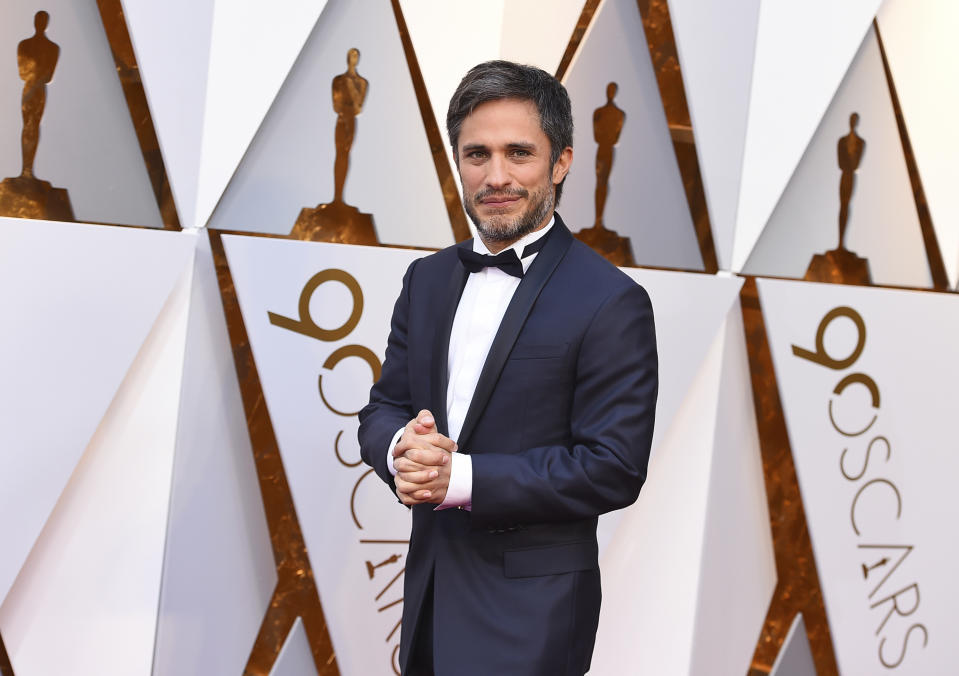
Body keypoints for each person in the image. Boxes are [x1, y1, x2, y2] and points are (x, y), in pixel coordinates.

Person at [359, 60, 658, 676]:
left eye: (518, 153)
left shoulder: (611, 300)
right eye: (477, 155)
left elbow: (614, 467)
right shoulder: (427, 279)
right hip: (430, 594)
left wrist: (461, 478)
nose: (496, 176)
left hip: (533, 615)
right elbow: (383, 406)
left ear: (562, 161)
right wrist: (398, 449)